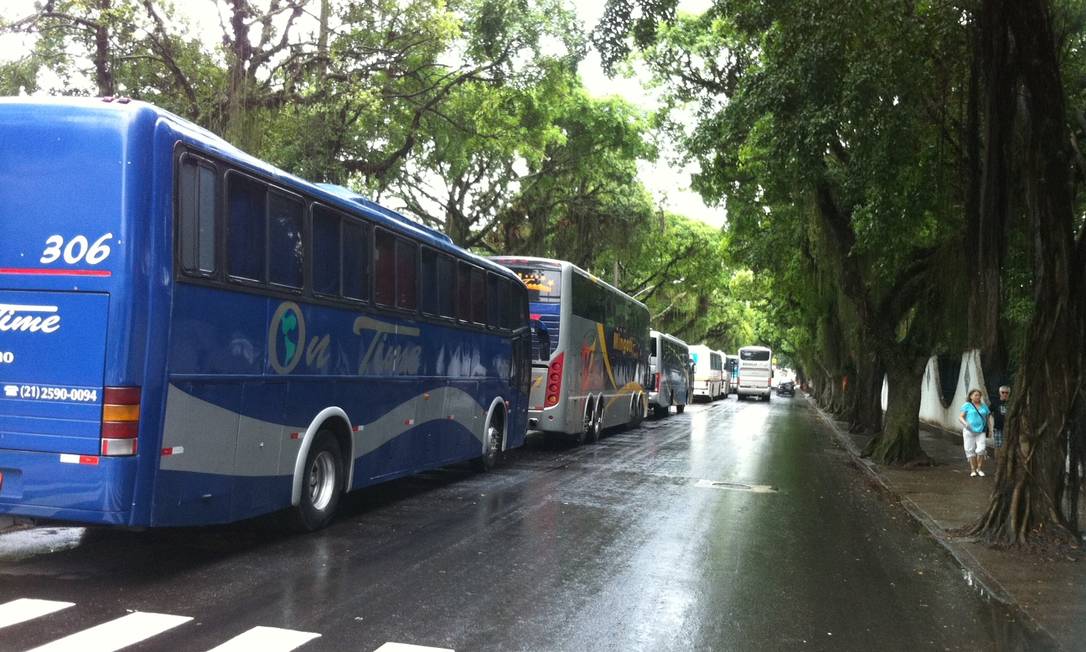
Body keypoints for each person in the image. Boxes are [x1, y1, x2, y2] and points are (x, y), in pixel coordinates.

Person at [959, 388, 991, 477]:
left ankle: (979, 469)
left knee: (981, 449)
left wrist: (990, 429)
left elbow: (988, 419)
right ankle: (973, 469)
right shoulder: (967, 405)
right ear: (971, 396)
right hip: (969, 431)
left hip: (981, 431)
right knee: (969, 449)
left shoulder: (984, 406)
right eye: (975, 395)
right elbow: (960, 417)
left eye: (979, 395)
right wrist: (965, 423)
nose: (977, 397)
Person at [992, 385, 1010, 453]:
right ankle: (998, 461)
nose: (1005, 394)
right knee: (998, 447)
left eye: (1006, 392)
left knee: (1007, 446)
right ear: (1000, 393)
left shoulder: (1011, 403)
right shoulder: (995, 402)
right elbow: (988, 412)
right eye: (1003, 392)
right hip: (998, 428)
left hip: (1009, 429)